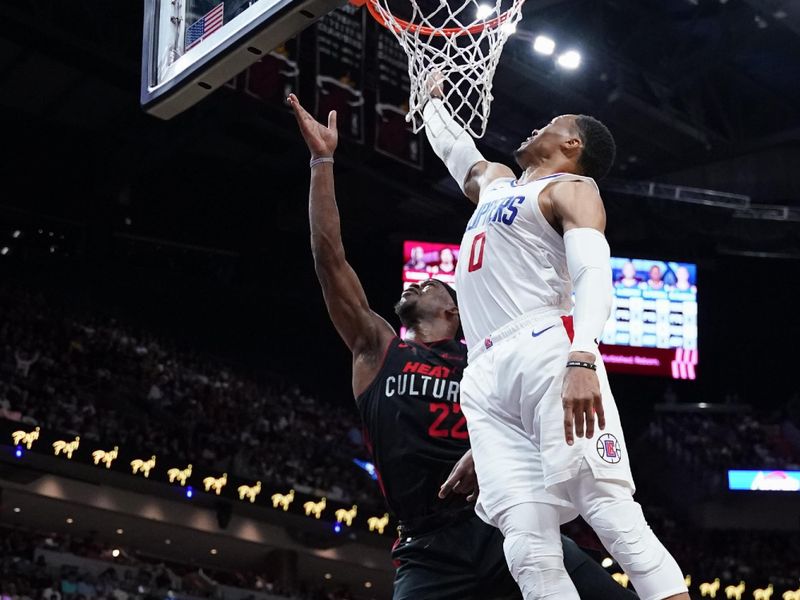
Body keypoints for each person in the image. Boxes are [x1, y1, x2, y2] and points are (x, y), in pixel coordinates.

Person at [287, 93, 638, 600]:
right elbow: (330, 261)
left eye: (433, 283)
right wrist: (322, 162)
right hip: (427, 550)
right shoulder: (378, 350)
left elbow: (546, 418)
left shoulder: (491, 360)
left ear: (455, 311)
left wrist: (489, 449)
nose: (419, 282)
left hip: (503, 525)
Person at [423, 76, 689, 600]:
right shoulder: (499, 184)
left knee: (611, 515)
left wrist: (584, 357)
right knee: (525, 547)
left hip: (546, 345)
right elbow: (459, 153)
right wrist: (429, 99)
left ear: (573, 145)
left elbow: (593, 275)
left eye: (551, 124)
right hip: (482, 371)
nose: (536, 126)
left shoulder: (572, 189)